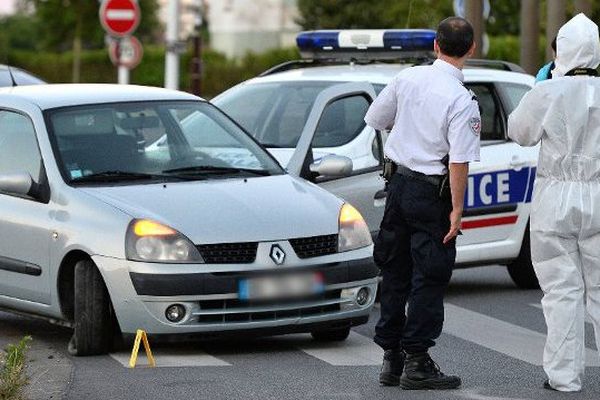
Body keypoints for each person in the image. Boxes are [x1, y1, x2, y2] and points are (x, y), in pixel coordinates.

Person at [364, 17, 480, 390]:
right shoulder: (462, 100)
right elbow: (459, 161)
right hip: (432, 193)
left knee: (395, 272)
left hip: (397, 186)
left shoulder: (407, 78)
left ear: (436, 45)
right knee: (428, 276)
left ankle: (391, 358)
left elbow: (375, 118)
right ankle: (416, 361)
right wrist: (458, 210)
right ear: (471, 49)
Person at [508, 13, 600, 392]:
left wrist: (542, 86)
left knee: (561, 291)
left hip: (554, 198)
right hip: (598, 193)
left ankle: (564, 377)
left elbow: (519, 133)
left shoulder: (547, 91)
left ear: (562, 50)